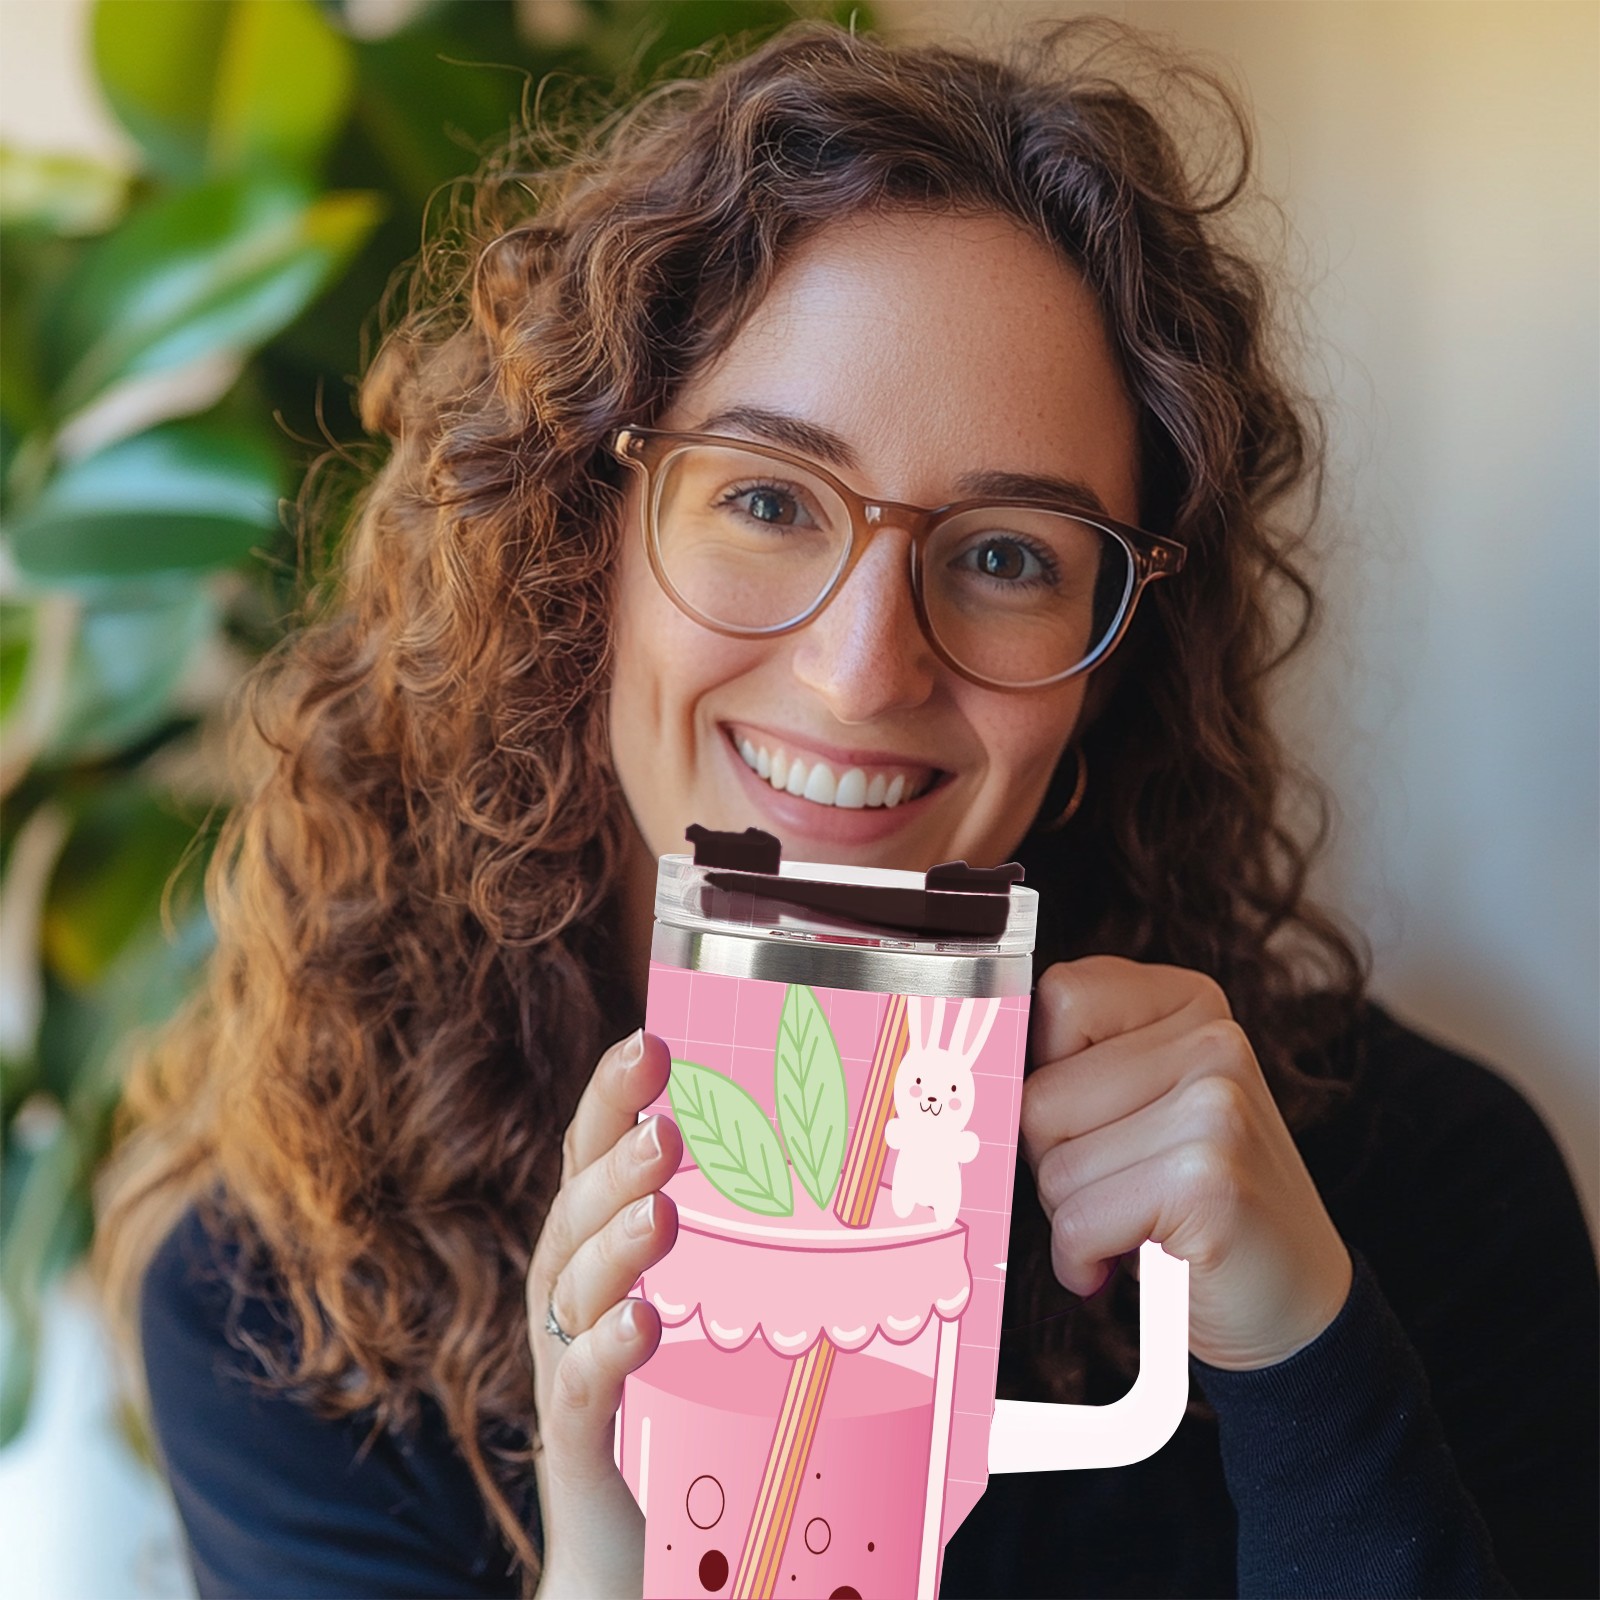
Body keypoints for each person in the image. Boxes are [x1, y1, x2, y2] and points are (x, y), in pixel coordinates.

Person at [96, 18, 1597, 1600]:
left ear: (1113, 663)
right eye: (765, 499)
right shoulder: (292, 1301)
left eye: (1007, 554)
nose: (864, 671)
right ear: (580, 550)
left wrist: (1305, 1366)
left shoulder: (1419, 1193)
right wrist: (615, 1561)